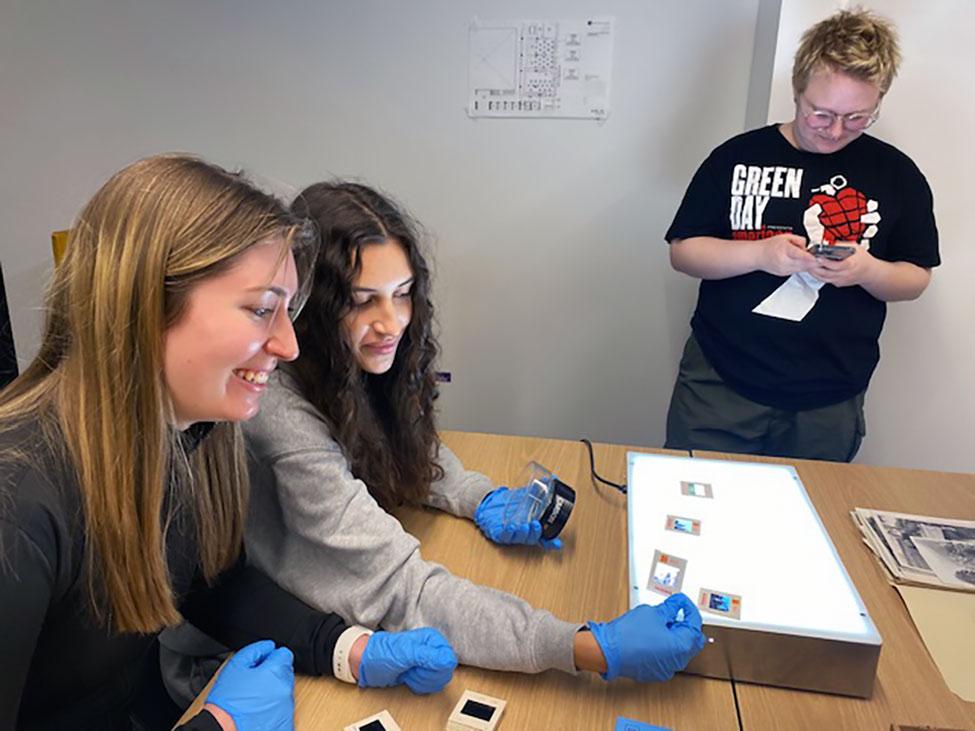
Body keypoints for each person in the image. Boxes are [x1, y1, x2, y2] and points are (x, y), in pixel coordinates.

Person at [0, 156, 455, 731]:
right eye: (263, 310)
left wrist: (348, 649)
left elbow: (209, 580)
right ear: (146, 306)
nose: (288, 345)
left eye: (287, 312)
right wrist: (218, 726)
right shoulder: (16, 505)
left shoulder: (186, 435)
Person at [233, 181, 705, 686]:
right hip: (247, 653)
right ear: (314, 306)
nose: (390, 322)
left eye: (402, 294)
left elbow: (400, 440)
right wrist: (583, 645)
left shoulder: (350, 360)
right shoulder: (278, 409)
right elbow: (405, 591)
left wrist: (475, 494)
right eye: (362, 301)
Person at [664, 8, 939, 462]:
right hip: (721, 379)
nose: (835, 131)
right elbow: (684, 252)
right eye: (822, 113)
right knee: (694, 510)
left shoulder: (897, 174)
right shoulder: (735, 157)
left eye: (857, 118)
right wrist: (761, 255)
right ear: (797, 90)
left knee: (811, 517)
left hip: (830, 394)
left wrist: (867, 271)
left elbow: (916, 277)